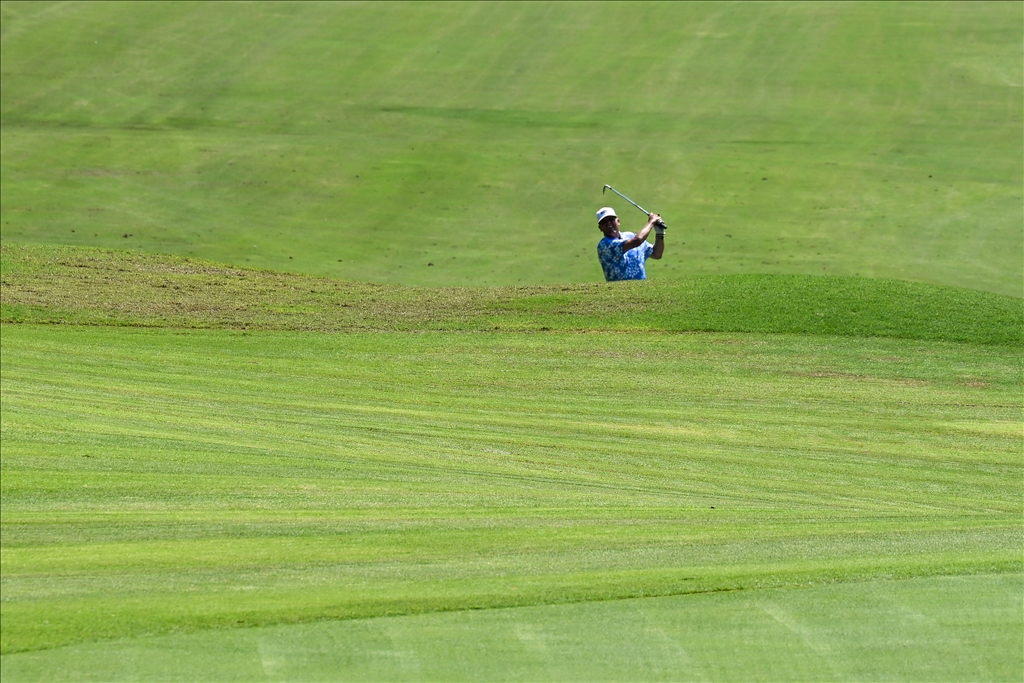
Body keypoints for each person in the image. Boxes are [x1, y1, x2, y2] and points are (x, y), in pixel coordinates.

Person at [595, 207, 665, 281]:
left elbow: (656, 254)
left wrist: (660, 234)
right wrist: (651, 222)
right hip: (619, 291)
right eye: (604, 222)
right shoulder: (604, 245)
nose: (608, 223)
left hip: (642, 289)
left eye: (611, 219)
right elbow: (637, 241)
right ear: (600, 228)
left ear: (618, 221)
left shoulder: (630, 236)